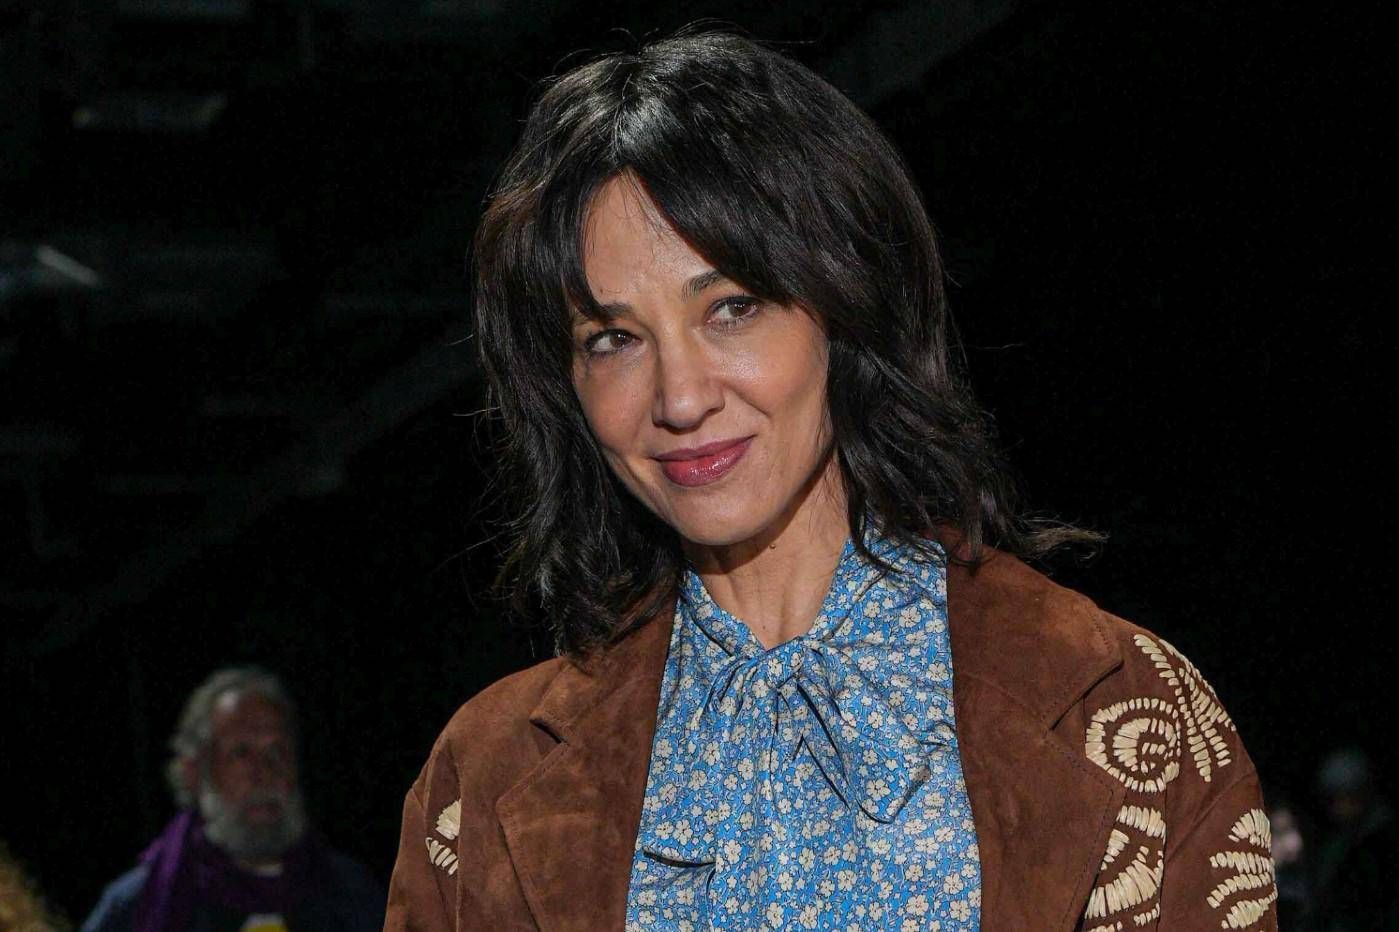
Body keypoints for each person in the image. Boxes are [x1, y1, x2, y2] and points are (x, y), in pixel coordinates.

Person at [386, 30, 1279, 931]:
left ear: (845, 306)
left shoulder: (1123, 706)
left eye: (731, 308)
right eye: (613, 339)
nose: (680, 397)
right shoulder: (483, 777)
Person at [83, 667, 383, 932]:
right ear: (193, 772)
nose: (264, 774)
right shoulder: (140, 905)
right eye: (241, 754)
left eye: (277, 752)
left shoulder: (351, 896)